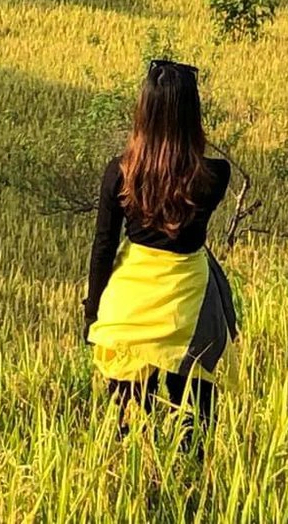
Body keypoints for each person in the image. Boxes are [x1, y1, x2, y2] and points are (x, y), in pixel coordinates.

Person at [83, 57, 238, 426]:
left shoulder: (119, 173)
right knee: (197, 422)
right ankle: (194, 482)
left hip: (130, 308)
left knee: (129, 424)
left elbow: (103, 246)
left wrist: (92, 314)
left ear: (145, 110)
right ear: (192, 114)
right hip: (189, 309)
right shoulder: (216, 175)